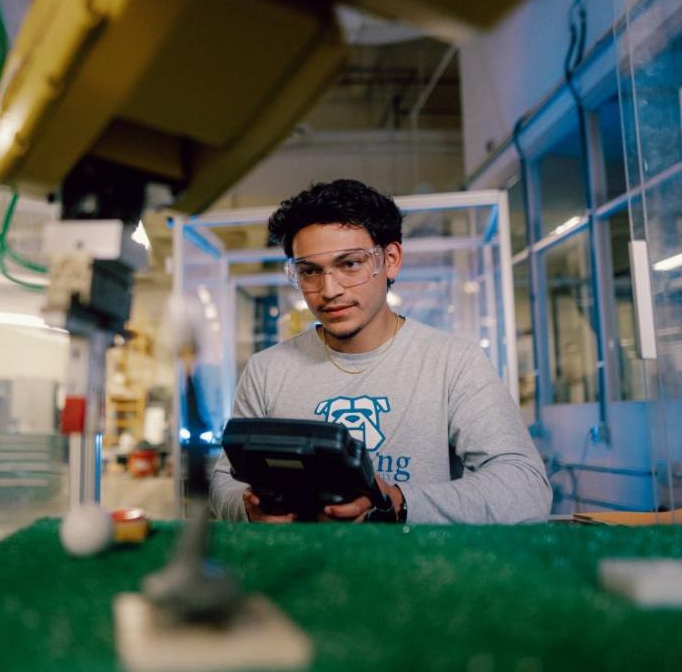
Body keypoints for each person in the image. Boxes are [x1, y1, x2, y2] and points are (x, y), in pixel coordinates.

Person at [210, 180, 551, 523]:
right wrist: (247, 508)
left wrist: (399, 503)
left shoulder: (453, 362)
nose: (329, 290)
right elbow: (225, 479)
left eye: (350, 264)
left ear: (390, 260)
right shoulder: (267, 369)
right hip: (304, 570)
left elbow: (526, 487)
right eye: (309, 271)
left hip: (420, 571)